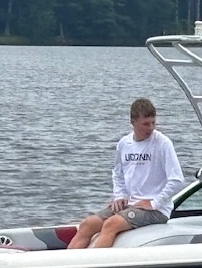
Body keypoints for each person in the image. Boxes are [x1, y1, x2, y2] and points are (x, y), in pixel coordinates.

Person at [67, 98, 184, 249]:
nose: (151, 128)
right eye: (146, 124)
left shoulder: (163, 143)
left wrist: (154, 203)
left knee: (111, 224)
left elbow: (177, 180)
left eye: (153, 123)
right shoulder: (124, 143)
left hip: (156, 210)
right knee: (87, 224)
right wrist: (119, 195)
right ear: (133, 122)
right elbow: (118, 173)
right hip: (130, 203)